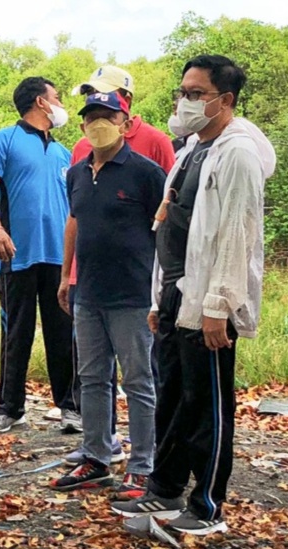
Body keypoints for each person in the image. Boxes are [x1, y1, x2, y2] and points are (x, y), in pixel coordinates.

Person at [113, 55, 275, 535]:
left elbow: (235, 235)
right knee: (173, 401)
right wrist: (157, 300)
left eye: (196, 94)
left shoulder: (238, 154)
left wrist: (218, 307)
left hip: (207, 302)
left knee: (207, 406)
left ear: (224, 101)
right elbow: (170, 227)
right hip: (174, 296)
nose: (184, 102)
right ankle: (164, 489)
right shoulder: (189, 152)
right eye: (182, 92)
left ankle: (206, 505)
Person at [63, 65, 176, 477]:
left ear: (125, 123)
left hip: (133, 295)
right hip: (88, 293)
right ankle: (97, 456)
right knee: (92, 378)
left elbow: (165, 234)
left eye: (107, 117)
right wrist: (65, 278)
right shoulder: (76, 173)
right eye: (90, 117)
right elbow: (74, 223)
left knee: (139, 382)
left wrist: (162, 291)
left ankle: (144, 464)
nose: (98, 125)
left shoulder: (146, 173)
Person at [0, 77, 77, 434]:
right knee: (16, 331)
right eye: (57, 96)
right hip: (16, 254)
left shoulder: (66, 153)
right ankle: (10, 407)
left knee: (63, 332)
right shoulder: (6, 139)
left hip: (59, 258)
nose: (61, 102)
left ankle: (70, 407)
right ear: (40, 102)